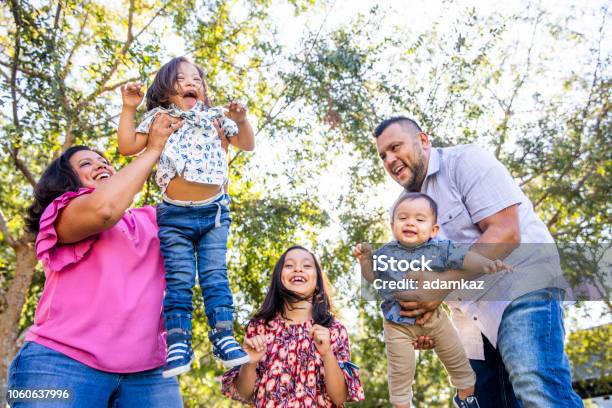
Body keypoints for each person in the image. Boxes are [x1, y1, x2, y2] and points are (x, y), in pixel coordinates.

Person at [372, 116, 583, 407]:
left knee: (537, 390)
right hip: (470, 322)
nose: (390, 159)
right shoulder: (402, 210)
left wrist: (440, 286)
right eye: (383, 155)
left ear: (423, 140)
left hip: (521, 286)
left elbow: (506, 232)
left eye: (396, 147)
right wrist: (420, 323)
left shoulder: (465, 161)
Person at [7, 114, 184, 407]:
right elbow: (104, 209)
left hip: (150, 375)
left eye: (103, 160)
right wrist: (153, 148)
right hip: (58, 364)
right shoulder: (62, 212)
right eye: (86, 164)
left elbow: (203, 208)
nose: (100, 164)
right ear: (67, 180)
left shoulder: (151, 219)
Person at [117, 56, 255, 377]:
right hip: (173, 216)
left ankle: (223, 334)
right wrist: (128, 108)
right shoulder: (159, 117)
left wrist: (242, 119)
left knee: (214, 276)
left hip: (214, 213)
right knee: (178, 280)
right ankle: (178, 341)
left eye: (196, 79)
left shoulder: (216, 116)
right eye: (181, 79)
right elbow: (126, 146)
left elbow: (245, 145)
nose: (191, 83)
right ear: (166, 89)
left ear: (204, 90)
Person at [353, 192, 511, 408]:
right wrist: (364, 261)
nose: (410, 223)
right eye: (403, 218)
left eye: (419, 219)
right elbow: (372, 278)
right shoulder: (385, 253)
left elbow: (465, 257)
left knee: (461, 366)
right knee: (400, 375)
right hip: (397, 326)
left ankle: (467, 399)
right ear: (392, 226)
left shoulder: (440, 249)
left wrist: (487, 264)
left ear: (434, 230)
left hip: (436, 321)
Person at [221, 246, 365, 407]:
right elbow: (244, 393)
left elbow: (339, 398)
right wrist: (250, 362)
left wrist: (327, 354)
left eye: (307, 266)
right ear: (278, 279)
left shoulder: (334, 329)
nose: (298, 269)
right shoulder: (259, 327)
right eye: (289, 265)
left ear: (318, 282)